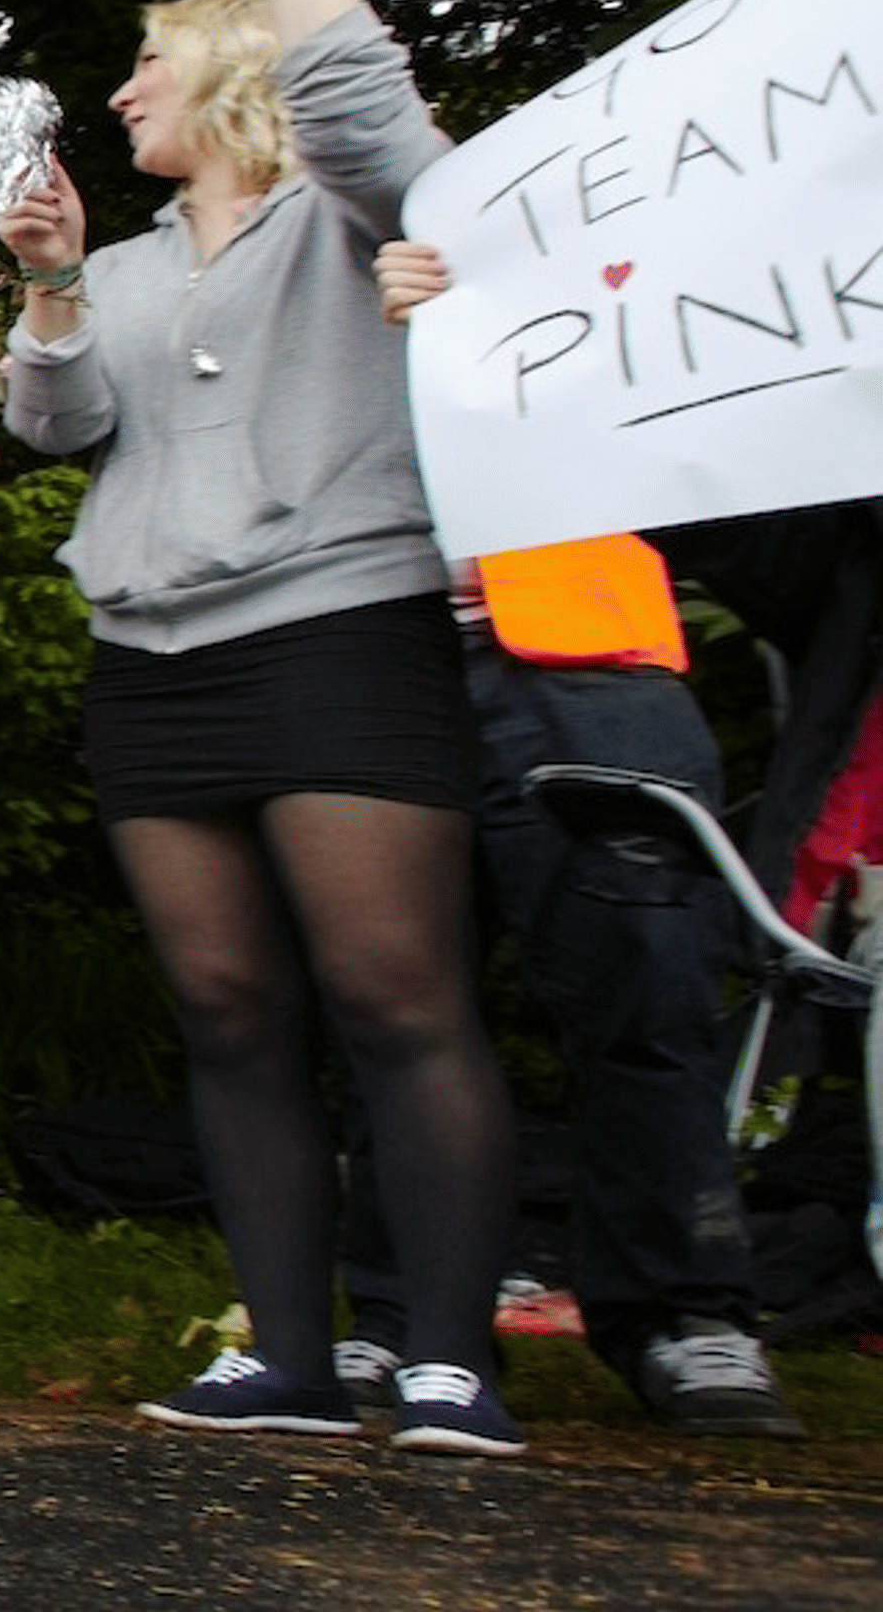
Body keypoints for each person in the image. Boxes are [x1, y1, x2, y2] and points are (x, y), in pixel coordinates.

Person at [0, 0, 526, 1457]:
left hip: (336, 633)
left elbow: (366, 115)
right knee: (225, 1008)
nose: (119, 89)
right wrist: (50, 289)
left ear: (234, 72)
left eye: (148, 64)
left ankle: (445, 1358)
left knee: (393, 992)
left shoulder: (365, 220)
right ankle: (289, 1353)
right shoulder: (136, 263)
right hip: (152, 656)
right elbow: (58, 428)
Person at [338, 243, 804, 1438]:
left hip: (589, 663)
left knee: (649, 990)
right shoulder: (282, 270)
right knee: (387, 1000)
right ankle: (398, 1317)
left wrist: (471, 321)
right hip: (374, 664)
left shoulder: (563, 259)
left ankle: (687, 1313)